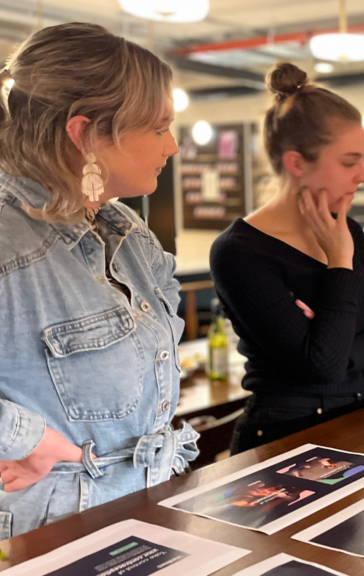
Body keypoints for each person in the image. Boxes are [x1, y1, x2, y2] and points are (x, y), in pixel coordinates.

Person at [0, 23, 197, 538]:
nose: (171, 146)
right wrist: (26, 438)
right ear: (85, 134)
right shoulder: (6, 241)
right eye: (158, 128)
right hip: (48, 529)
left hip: (142, 506)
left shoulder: (126, 230)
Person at [209, 63, 364, 454]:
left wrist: (332, 340)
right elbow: (322, 367)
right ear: (297, 163)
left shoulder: (349, 230)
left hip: (358, 425)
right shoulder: (239, 251)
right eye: (350, 162)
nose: (363, 176)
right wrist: (338, 263)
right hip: (284, 441)